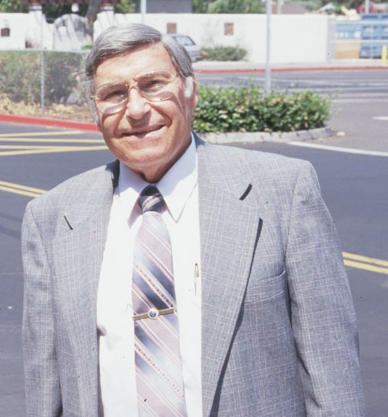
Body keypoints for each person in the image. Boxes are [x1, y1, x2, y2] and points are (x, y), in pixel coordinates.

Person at [21, 23, 365, 416]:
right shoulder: (53, 218)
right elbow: (45, 384)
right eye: (114, 94)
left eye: (152, 84)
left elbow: (330, 365)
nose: (135, 109)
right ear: (96, 112)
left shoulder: (282, 192)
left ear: (190, 91)